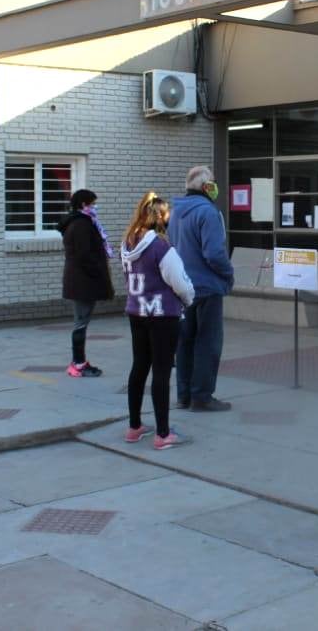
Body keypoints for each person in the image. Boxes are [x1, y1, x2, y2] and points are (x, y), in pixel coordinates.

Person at [120, 192, 196, 450]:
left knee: (139, 367)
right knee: (162, 372)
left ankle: (134, 426)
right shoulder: (161, 247)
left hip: (136, 312)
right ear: (162, 218)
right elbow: (180, 282)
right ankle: (163, 434)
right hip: (163, 315)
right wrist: (188, 299)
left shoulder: (128, 244)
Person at [169, 166, 234, 411]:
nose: (216, 187)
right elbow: (214, 253)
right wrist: (228, 274)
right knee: (208, 343)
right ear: (207, 187)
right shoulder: (208, 212)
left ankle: (184, 395)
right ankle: (202, 396)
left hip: (182, 288)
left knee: (184, 343)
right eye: (214, 183)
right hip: (207, 288)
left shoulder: (176, 213)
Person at [59, 188, 113, 377]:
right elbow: (85, 255)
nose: (95, 206)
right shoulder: (81, 225)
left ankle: (79, 362)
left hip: (79, 281)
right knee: (81, 322)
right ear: (84, 204)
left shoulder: (78, 223)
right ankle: (78, 363)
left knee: (81, 321)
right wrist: (97, 272)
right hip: (83, 282)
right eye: (92, 203)